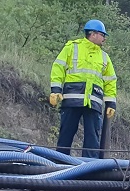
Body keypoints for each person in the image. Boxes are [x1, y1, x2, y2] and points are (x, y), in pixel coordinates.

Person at [49, 19, 117, 158]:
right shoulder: (72, 47)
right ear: (93, 34)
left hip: (93, 103)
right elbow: (58, 67)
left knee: (92, 138)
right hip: (72, 100)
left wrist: (111, 103)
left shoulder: (104, 57)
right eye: (102, 35)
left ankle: (90, 166)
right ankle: (60, 162)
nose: (104, 38)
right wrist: (55, 90)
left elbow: (110, 81)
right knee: (66, 134)